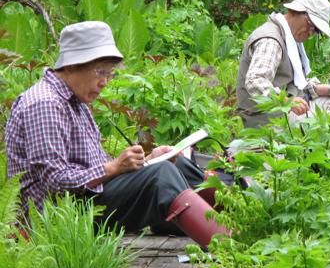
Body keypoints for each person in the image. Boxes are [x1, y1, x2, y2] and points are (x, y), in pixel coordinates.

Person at [5, 21, 228, 248]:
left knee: (175, 164)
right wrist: (113, 168)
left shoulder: (75, 100)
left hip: (84, 203)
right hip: (58, 219)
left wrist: (147, 161)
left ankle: (239, 220)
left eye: (109, 74)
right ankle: (226, 246)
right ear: (71, 65)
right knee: (161, 175)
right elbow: (56, 184)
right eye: (100, 72)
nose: (104, 82)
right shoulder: (45, 104)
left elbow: (94, 169)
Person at [236, 0, 330, 128]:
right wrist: (286, 102)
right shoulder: (271, 40)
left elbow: (294, 84)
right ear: (296, 11)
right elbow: (255, 80)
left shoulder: (289, 38)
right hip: (267, 120)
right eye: (312, 26)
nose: (311, 33)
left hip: (282, 112)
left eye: (316, 31)